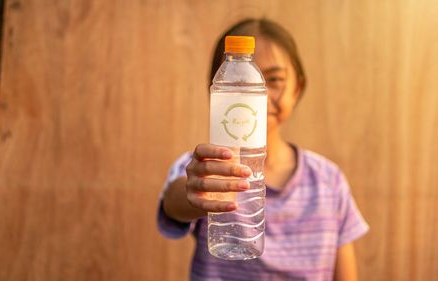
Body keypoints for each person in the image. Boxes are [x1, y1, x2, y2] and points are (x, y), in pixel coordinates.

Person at [157, 18, 369, 281]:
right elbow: (174, 201)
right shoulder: (205, 165)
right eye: (240, 85)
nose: (259, 97)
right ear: (218, 94)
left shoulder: (329, 179)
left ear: (297, 88)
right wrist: (195, 193)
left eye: (275, 80)